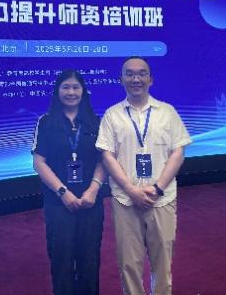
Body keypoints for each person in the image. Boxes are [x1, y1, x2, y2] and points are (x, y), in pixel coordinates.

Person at [96, 57, 191, 295]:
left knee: (163, 262)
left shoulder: (167, 112)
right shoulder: (112, 115)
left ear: (151, 79)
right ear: (121, 79)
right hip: (125, 200)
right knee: (129, 263)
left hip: (162, 199)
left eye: (141, 73)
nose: (135, 79)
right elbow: (107, 155)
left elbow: (178, 152)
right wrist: (131, 190)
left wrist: (157, 189)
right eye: (129, 74)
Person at [32, 69, 107, 295]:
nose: (71, 92)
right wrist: (63, 192)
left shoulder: (96, 122)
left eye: (76, 87)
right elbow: (39, 162)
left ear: (83, 91)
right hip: (58, 203)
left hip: (90, 202)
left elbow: (103, 160)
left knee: (90, 260)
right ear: (57, 91)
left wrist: (93, 189)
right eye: (66, 87)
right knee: (61, 260)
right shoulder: (45, 122)